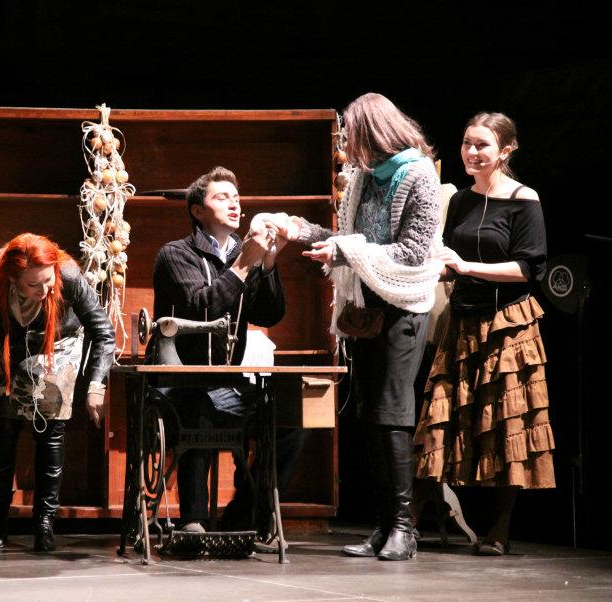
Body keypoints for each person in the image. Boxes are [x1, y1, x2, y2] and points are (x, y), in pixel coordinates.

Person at [290, 93, 442, 561]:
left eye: (351, 135)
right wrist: (302, 230)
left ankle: (404, 529)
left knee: (392, 412)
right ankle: (383, 526)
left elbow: (411, 252)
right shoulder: (363, 176)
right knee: (371, 415)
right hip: (367, 305)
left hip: (404, 305)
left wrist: (344, 250)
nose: (346, 145)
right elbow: (350, 242)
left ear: (373, 132)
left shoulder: (418, 174)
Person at [413, 112, 555, 555]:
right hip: (462, 322)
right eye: (467, 143)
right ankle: (408, 522)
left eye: (482, 145)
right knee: (439, 417)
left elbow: (529, 268)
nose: (471, 152)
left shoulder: (524, 199)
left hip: (507, 325)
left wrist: (466, 267)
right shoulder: (460, 200)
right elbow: (448, 257)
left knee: (508, 421)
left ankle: (500, 527)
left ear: (506, 150)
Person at [151, 166, 289, 535]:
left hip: (228, 381)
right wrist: (245, 264)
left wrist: (269, 263)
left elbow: (269, 314)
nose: (234, 204)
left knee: (289, 418)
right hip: (179, 383)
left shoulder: (244, 253)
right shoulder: (175, 255)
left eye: (236, 198)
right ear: (197, 210)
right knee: (198, 404)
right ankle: (193, 519)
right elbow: (202, 307)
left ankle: (245, 513)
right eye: (221, 197)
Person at [0, 233, 115, 551]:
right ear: (12, 278)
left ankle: (45, 522)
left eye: (48, 281)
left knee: (50, 434)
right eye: (33, 284)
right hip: (10, 342)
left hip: (57, 345)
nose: (44, 290)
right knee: (4, 428)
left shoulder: (68, 274)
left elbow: (103, 331)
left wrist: (96, 386)